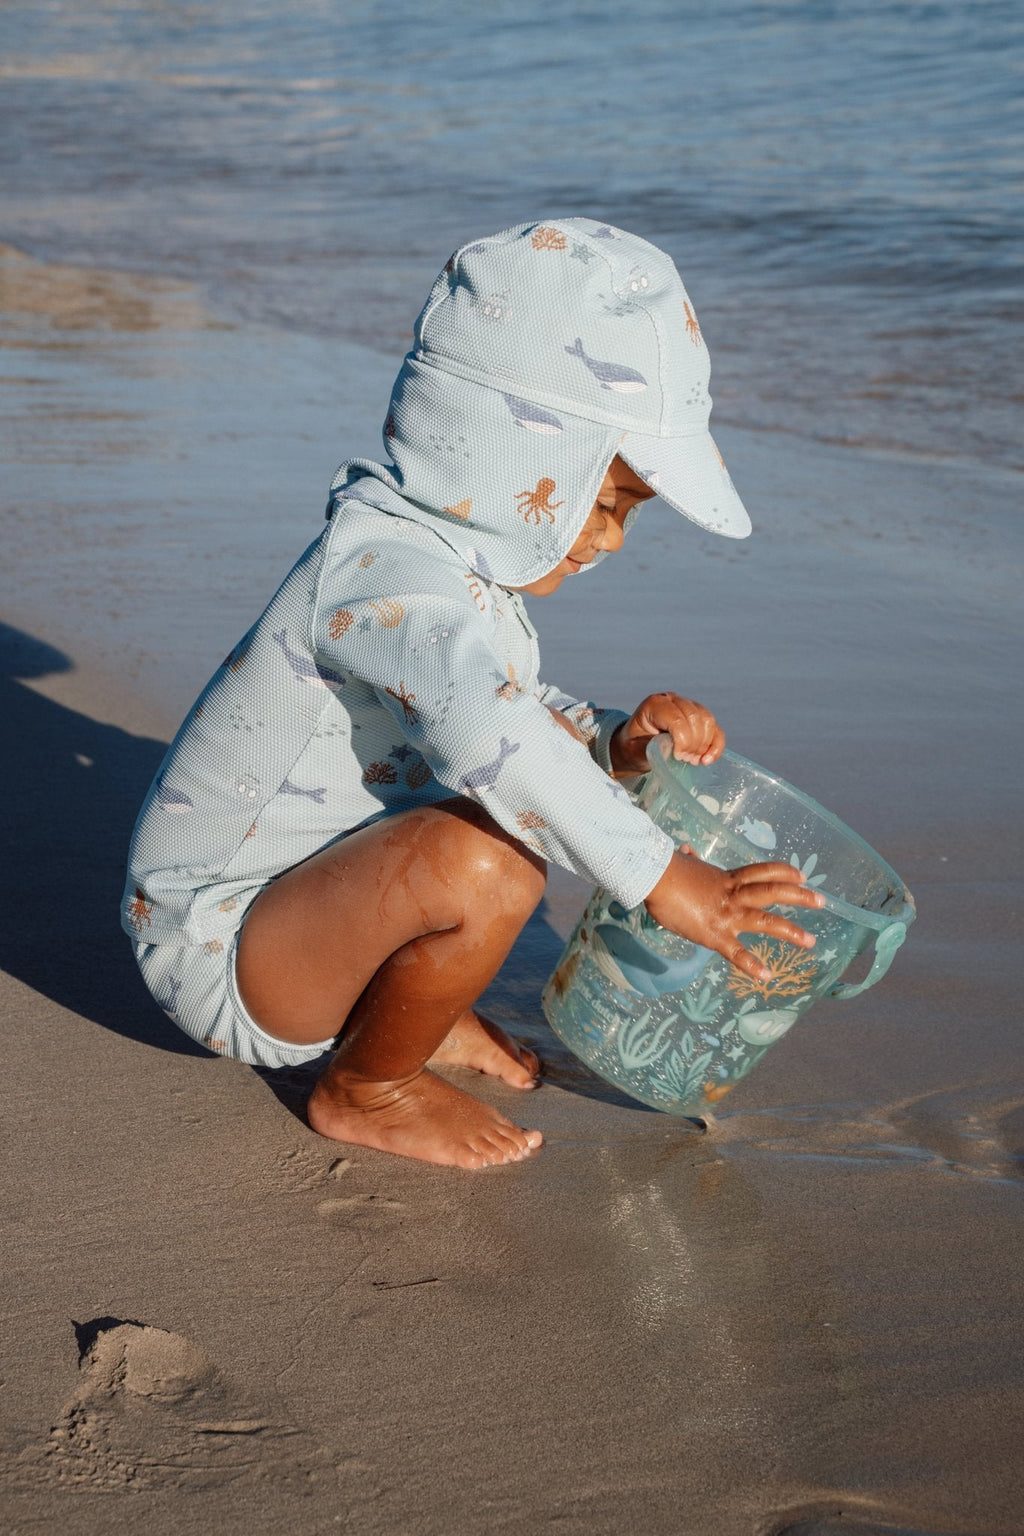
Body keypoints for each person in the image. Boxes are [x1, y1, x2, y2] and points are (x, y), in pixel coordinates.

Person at [123, 218, 824, 1169]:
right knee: (492, 866)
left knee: (495, 821)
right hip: (226, 949)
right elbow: (486, 723)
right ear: (510, 450)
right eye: (608, 501)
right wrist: (663, 877)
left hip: (313, 912)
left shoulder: (454, 570)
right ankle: (370, 1084)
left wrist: (615, 742)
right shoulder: (382, 576)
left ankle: (405, 1011)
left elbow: (509, 710)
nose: (614, 539)